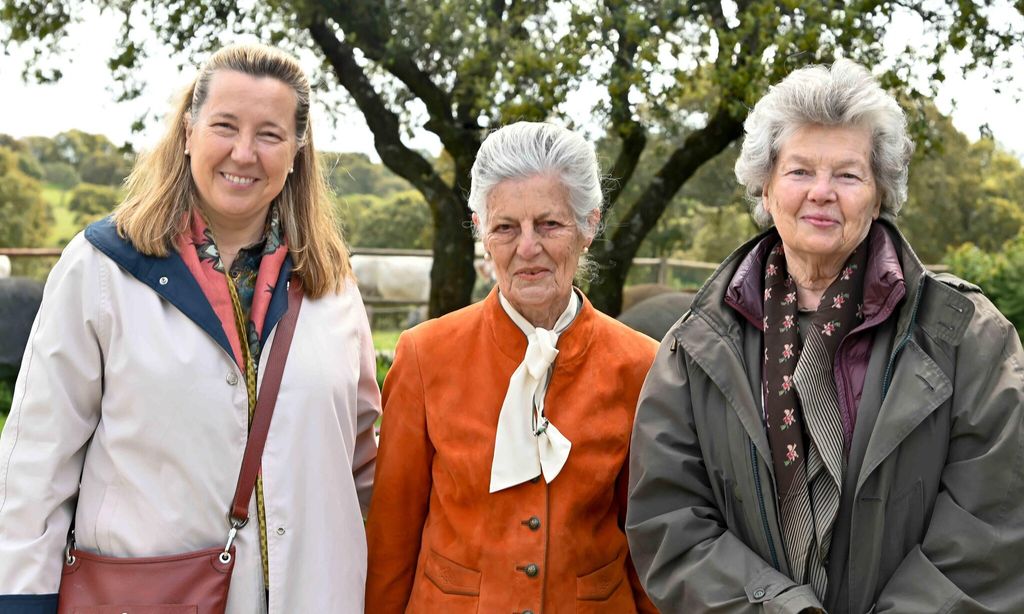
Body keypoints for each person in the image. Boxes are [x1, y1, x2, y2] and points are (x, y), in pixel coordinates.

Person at [626, 58, 1024, 613]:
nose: (821, 192)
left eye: (848, 174)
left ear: (879, 194)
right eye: (799, 171)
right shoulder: (695, 344)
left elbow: (997, 522)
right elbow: (670, 520)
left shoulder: (965, 334)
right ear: (765, 189)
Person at [0, 44, 380, 613]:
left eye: (271, 134)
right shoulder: (102, 268)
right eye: (224, 126)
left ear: (299, 151)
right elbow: (36, 461)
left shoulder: (332, 285)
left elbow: (363, 460)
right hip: (145, 598)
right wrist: (22, 602)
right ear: (188, 132)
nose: (244, 153)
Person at [365, 121, 658, 613]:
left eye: (549, 224)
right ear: (480, 230)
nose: (527, 248)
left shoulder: (641, 365)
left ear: (589, 225)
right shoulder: (424, 355)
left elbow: (648, 543)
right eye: (506, 227)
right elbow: (391, 539)